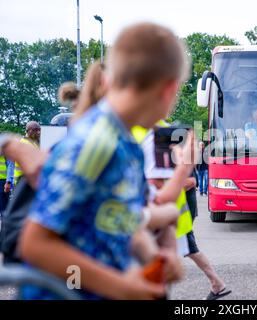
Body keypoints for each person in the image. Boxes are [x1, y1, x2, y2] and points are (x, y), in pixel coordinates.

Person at [18, 22, 190, 300]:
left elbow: (120, 221)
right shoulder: (96, 143)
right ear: (169, 90)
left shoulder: (126, 145)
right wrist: (121, 286)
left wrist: (153, 255)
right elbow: (35, 245)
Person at [142, 126, 231, 300]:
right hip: (175, 214)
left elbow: (192, 182)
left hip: (182, 214)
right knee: (179, 250)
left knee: (189, 249)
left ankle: (217, 283)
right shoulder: (170, 159)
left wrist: (166, 184)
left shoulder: (179, 158)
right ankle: (216, 284)